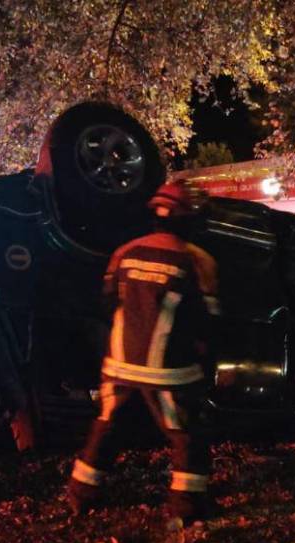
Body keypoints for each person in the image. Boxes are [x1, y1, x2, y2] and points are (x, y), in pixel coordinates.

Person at [66, 180, 219, 523]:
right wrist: (207, 364)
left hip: (120, 364)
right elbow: (206, 322)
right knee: (186, 434)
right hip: (170, 371)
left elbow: (107, 304)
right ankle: (187, 507)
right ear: (189, 219)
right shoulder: (198, 262)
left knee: (106, 425)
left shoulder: (125, 252)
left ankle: (80, 495)